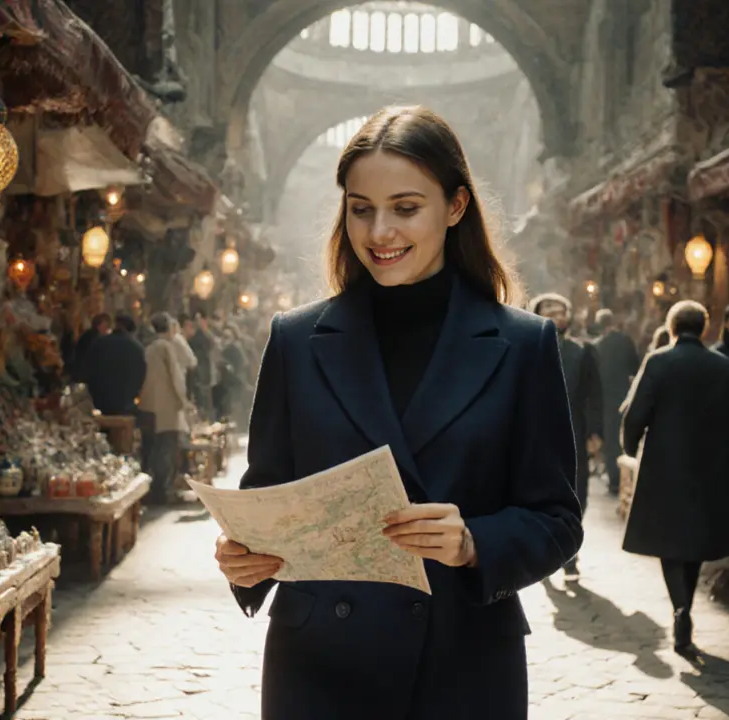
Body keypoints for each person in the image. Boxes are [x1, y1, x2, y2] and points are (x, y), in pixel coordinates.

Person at [213, 105, 582, 720]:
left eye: (406, 208)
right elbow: (267, 500)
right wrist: (241, 559)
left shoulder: (523, 344)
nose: (379, 232)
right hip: (319, 669)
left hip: (461, 662)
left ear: (455, 206)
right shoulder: (295, 340)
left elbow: (557, 519)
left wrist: (472, 542)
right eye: (362, 209)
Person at [620, 300, 729, 655]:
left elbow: (636, 413)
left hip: (664, 465)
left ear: (671, 327)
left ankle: (680, 608)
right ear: (704, 328)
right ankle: (686, 607)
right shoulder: (721, 366)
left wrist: (629, 444)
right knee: (695, 539)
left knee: (670, 541)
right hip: (709, 464)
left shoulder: (658, 361)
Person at [528, 292, 603, 581]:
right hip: (534, 435)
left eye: (561, 310)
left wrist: (595, 432)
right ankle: (546, 553)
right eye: (548, 309)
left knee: (577, 495)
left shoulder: (582, 352)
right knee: (538, 496)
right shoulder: (526, 349)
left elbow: (594, 396)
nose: (556, 315)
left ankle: (570, 551)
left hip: (574, 433)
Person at [139, 313, 192, 504]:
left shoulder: (150, 348)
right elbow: (176, 377)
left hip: (149, 403)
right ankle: (162, 490)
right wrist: (183, 400)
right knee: (166, 448)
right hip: (167, 406)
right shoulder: (166, 347)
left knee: (152, 447)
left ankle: (151, 488)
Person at [593, 308, 640, 496]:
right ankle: (625, 479)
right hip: (623, 396)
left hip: (605, 399)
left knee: (611, 439)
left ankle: (614, 480)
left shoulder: (597, 346)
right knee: (623, 437)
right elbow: (634, 369)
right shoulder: (625, 341)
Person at [84, 314, 147, 417]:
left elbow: (88, 369)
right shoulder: (137, 348)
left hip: (100, 400)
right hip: (126, 401)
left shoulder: (99, 343)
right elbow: (141, 375)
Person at [72, 313, 111, 383]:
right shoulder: (95, 338)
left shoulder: (89, 334)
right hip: (85, 375)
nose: (107, 329)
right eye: (106, 326)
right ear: (100, 325)